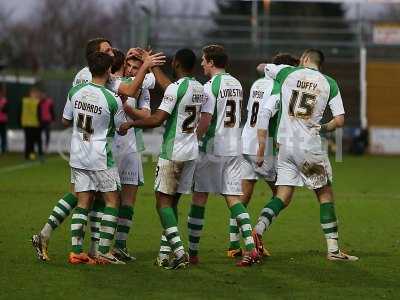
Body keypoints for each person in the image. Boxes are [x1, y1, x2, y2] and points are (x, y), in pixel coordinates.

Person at [31, 37, 165, 262]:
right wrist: (145, 64)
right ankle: (98, 249)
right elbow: (133, 90)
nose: (112, 52)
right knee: (104, 199)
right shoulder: (106, 83)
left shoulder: (86, 78)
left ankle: (78, 249)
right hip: (102, 149)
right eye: (107, 50)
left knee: (85, 198)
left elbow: (67, 117)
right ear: (98, 57)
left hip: (82, 148)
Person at [252, 49, 359, 261]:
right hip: (308, 148)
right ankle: (333, 250)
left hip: (285, 148)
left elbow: (261, 67)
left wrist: (272, 68)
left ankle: (257, 230)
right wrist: (323, 127)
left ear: (306, 59)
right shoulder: (329, 83)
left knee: (282, 195)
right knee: (325, 193)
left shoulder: (287, 74)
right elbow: (339, 120)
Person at [120, 48, 207, 270]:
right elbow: (170, 88)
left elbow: (157, 119)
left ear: (176, 63)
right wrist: (152, 65)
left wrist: (131, 123)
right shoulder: (198, 88)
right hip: (191, 152)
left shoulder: (175, 89)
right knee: (173, 203)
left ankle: (179, 252)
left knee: (161, 203)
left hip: (173, 151)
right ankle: (164, 254)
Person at [188, 45, 259, 267]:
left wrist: (195, 139)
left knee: (199, 197)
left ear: (210, 62)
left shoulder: (210, 86)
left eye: (203, 60)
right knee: (234, 199)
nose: (201, 64)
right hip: (234, 146)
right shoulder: (236, 83)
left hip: (213, 147)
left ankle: (192, 253)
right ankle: (250, 249)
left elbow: (207, 119)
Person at [227, 53, 299, 258]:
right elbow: (264, 117)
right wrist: (262, 149)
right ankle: (257, 234)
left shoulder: (259, 84)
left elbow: (253, 112)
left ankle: (234, 244)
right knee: (283, 195)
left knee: (244, 196)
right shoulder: (279, 88)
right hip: (262, 149)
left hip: (246, 142)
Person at [109, 49, 154, 261]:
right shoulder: (113, 82)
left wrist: (128, 109)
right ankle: (101, 246)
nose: (132, 70)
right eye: (129, 66)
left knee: (128, 201)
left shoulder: (142, 87)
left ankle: (119, 245)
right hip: (109, 148)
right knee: (107, 200)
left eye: (137, 68)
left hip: (131, 148)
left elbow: (146, 115)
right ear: (123, 64)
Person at [21, 86, 43, 160]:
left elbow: (20, 111)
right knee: (33, 140)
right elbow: (39, 113)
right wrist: (40, 122)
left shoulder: (24, 101)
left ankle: (28, 154)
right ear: (31, 93)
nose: (36, 94)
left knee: (28, 140)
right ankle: (32, 154)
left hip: (25, 123)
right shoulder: (37, 102)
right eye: (35, 93)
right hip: (34, 123)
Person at [0, 87, 8, 154]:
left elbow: (6, 110)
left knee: (3, 136)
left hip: (3, 120)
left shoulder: (5, 101)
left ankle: (3, 150)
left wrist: (2, 108)